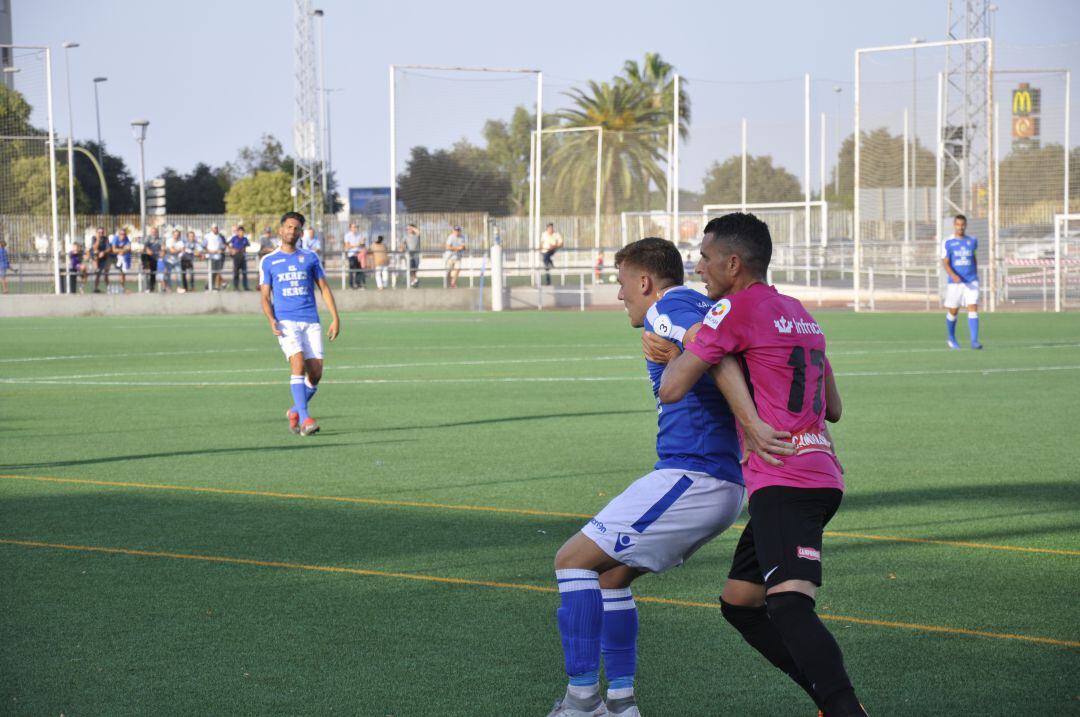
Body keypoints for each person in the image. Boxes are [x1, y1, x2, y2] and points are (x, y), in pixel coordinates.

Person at [544, 237, 793, 717]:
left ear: (644, 281)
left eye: (621, 284)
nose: (619, 296)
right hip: (717, 482)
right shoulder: (704, 303)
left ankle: (581, 701)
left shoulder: (671, 304)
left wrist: (750, 421)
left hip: (693, 476)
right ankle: (620, 704)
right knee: (611, 577)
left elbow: (708, 345)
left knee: (571, 561)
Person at [649, 213, 865, 717]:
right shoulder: (800, 313)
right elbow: (833, 408)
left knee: (789, 603)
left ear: (733, 263)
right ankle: (827, 700)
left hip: (784, 476)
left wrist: (678, 344)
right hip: (820, 471)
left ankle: (845, 709)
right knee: (740, 603)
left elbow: (673, 387)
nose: (698, 267)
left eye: (704, 257)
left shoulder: (734, 311)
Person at [258, 211, 341, 437]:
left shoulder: (310, 258)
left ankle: (295, 411)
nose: (292, 231)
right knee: (297, 364)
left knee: (315, 374)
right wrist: (271, 319)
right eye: (289, 227)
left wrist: (335, 317)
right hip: (286, 321)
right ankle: (305, 420)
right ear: (280, 230)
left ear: (300, 232)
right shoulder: (269, 261)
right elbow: (265, 296)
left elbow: (324, 288)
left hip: (311, 320)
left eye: (296, 228)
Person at [942, 214, 982, 350]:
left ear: (966, 225)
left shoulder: (973, 241)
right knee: (953, 311)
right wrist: (953, 275)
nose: (961, 227)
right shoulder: (948, 242)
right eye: (958, 224)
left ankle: (974, 341)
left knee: (973, 307)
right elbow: (945, 262)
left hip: (971, 281)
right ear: (954, 225)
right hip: (955, 283)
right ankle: (951, 338)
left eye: (963, 225)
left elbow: (974, 258)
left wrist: (975, 274)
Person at [204, 224, 226, 291]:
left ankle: (215, 286)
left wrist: (221, 250)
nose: (215, 229)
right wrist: (210, 251)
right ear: (211, 229)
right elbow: (203, 245)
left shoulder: (219, 237)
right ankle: (209, 286)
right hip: (211, 257)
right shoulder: (207, 236)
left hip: (218, 257)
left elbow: (222, 246)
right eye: (214, 228)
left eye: (216, 228)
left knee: (218, 272)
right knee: (212, 272)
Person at [230, 225, 252, 291]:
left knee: (244, 273)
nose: (241, 233)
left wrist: (243, 249)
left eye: (242, 231)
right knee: (236, 273)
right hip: (236, 257)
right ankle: (236, 287)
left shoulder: (245, 239)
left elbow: (247, 245)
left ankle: (245, 287)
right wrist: (232, 250)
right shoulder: (234, 238)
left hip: (243, 257)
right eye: (240, 231)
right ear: (238, 232)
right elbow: (228, 244)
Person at [142, 227, 162, 293]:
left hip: (155, 258)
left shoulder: (159, 239)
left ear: (157, 232)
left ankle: (151, 288)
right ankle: (147, 287)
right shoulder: (148, 238)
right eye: (152, 232)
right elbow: (145, 245)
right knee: (147, 272)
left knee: (153, 274)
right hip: (147, 258)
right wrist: (148, 250)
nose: (153, 233)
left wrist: (163, 251)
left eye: (155, 232)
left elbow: (163, 246)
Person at [111, 228, 131, 293]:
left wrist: (120, 250)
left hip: (122, 257)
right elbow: (114, 250)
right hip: (113, 257)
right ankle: (109, 288)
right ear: (119, 234)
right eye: (121, 234)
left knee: (123, 273)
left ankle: (122, 288)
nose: (123, 235)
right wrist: (122, 250)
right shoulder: (115, 238)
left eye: (124, 234)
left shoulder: (126, 238)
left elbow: (128, 248)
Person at [344, 223, 363, 289]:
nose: (355, 228)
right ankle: (351, 285)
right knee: (352, 269)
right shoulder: (347, 235)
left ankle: (358, 284)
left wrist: (361, 244)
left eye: (356, 227)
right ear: (350, 228)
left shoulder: (359, 235)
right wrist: (356, 245)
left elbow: (361, 244)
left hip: (359, 254)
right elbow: (347, 246)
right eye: (353, 227)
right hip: (351, 255)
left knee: (359, 270)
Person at [402, 223, 422, 287]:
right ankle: (414, 280)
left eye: (410, 228)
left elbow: (419, 232)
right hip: (409, 256)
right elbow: (402, 244)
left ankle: (414, 280)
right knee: (410, 268)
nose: (408, 230)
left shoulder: (416, 235)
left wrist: (412, 228)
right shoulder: (405, 236)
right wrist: (402, 248)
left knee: (415, 269)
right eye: (408, 229)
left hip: (416, 255)